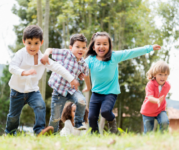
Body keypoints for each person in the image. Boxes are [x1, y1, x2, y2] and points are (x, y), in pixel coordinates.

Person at [5, 25, 79, 136]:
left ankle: (39, 131)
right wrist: (24, 72)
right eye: (29, 43)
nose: (32, 46)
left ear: (41, 42)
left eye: (36, 43)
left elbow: (57, 67)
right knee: (13, 116)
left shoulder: (42, 58)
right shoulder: (20, 54)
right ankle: (10, 133)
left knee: (40, 106)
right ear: (24, 41)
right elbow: (12, 67)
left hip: (33, 91)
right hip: (17, 91)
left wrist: (71, 79)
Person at [83, 32, 161, 134]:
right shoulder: (90, 60)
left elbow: (131, 52)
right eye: (98, 44)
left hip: (110, 92)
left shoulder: (114, 57)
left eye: (105, 44)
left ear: (109, 46)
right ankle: (95, 136)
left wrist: (149, 48)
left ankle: (112, 121)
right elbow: (81, 69)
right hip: (96, 93)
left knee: (105, 111)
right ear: (93, 47)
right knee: (92, 117)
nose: (101, 46)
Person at [40, 34, 91, 133]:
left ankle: (78, 122)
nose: (81, 49)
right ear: (71, 47)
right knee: (55, 117)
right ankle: (51, 134)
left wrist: (88, 87)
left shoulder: (84, 64)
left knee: (82, 101)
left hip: (72, 90)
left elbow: (86, 76)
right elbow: (50, 49)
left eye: (83, 47)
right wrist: (46, 55)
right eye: (77, 47)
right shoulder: (65, 54)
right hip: (58, 91)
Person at [140, 60, 170, 133]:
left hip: (160, 109)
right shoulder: (150, 84)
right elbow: (149, 97)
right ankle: (148, 143)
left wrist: (160, 103)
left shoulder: (168, 86)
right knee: (148, 132)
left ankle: (161, 139)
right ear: (154, 74)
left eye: (165, 74)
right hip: (148, 111)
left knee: (165, 122)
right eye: (160, 74)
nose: (163, 77)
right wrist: (157, 100)